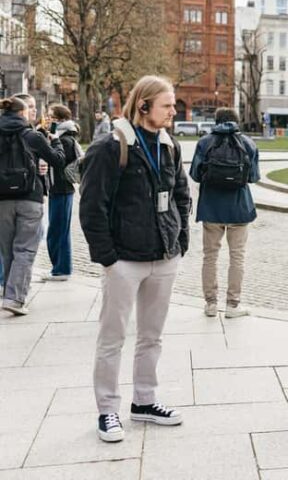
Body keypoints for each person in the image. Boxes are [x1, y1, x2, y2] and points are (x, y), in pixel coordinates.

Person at [79, 75, 191, 443]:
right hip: (124, 260)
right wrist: (108, 257)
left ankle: (144, 401)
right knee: (112, 338)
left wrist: (181, 238)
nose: (174, 111)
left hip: (164, 254)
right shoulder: (110, 147)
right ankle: (107, 410)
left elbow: (181, 194)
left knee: (151, 337)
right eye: (167, 105)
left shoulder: (168, 144)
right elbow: (92, 207)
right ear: (143, 106)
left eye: (174, 105)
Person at [189, 107, 260, 319]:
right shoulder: (248, 143)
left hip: (211, 207)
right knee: (237, 256)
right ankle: (232, 304)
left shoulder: (205, 142)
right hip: (239, 208)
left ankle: (210, 304)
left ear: (216, 120)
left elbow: (195, 174)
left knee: (210, 256)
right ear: (237, 121)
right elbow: (253, 177)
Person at [0, 97, 66, 315]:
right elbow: (58, 160)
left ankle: (10, 293)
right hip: (30, 197)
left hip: (2, 201)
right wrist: (55, 141)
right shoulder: (32, 136)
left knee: (8, 250)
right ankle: (15, 298)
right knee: (25, 249)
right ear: (22, 114)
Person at [44, 104, 80, 282]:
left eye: (51, 116)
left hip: (62, 188)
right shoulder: (64, 137)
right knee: (57, 229)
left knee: (58, 230)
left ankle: (61, 269)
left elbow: (58, 162)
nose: (48, 119)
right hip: (59, 189)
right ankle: (59, 268)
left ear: (60, 120)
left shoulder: (65, 139)